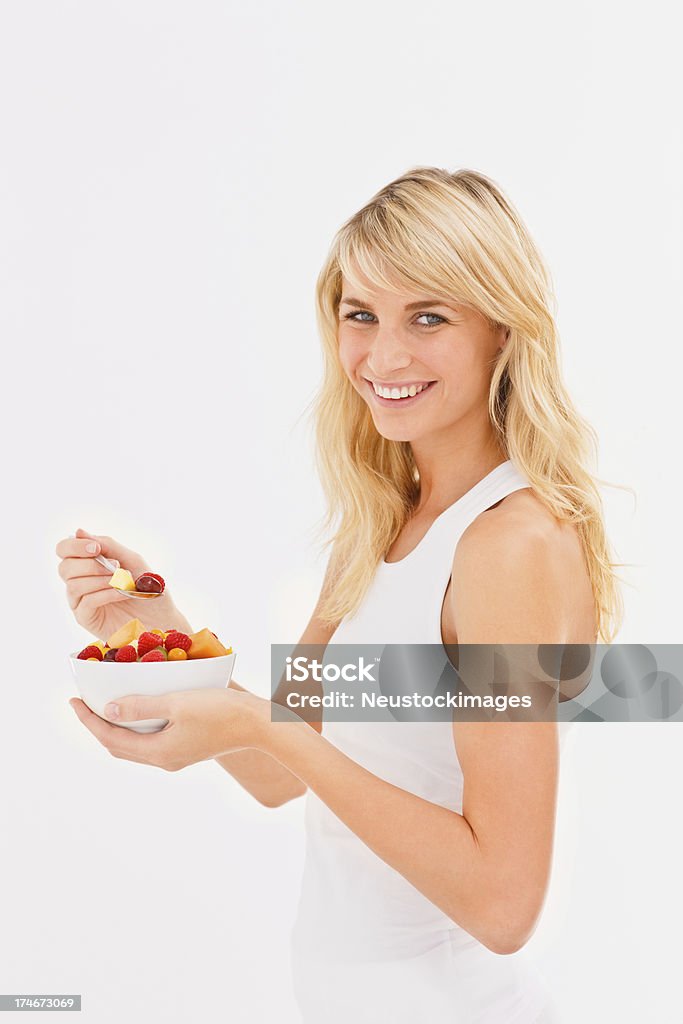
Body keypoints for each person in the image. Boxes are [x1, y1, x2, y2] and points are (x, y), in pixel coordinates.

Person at [57, 167, 623, 1023]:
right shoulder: (385, 520)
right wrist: (166, 633)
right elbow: (278, 775)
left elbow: (505, 906)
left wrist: (258, 727)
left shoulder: (509, 544)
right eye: (361, 314)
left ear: (503, 331)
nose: (382, 356)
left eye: (427, 317)